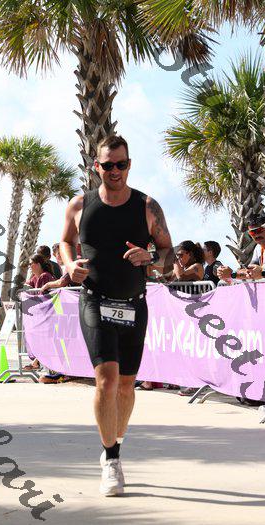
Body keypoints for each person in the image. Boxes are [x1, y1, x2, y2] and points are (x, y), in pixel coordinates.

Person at [60, 134, 173, 497]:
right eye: (108, 165)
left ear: (129, 164)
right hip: (95, 300)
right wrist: (69, 265)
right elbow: (65, 241)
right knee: (106, 381)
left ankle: (115, 444)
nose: (114, 171)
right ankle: (111, 460)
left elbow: (168, 252)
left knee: (126, 385)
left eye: (120, 164)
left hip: (134, 304)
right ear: (97, 166)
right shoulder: (80, 205)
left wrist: (150, 257)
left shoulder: (147, 206)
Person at [217, 213, 265, 282]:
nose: (256, 235)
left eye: (259, 230)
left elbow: (263, 270)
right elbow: (250, 270)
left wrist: (232, 274)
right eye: (252, 232)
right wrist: (227, 273)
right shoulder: (258, 247)